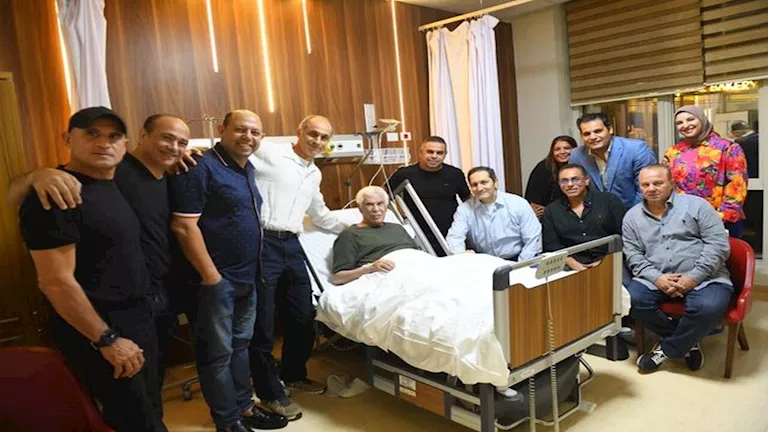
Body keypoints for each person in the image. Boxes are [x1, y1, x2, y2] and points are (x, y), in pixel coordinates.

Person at [17, 107, 163, 431]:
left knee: (150, 410)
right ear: (68, 138)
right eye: (92, 134)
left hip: (138, 317)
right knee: (132, 420)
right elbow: (55, 282)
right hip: (101, 327)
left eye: (113, 136)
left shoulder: (112, 182)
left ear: (125, 145)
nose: (103, 143)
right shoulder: (57, 195)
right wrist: (107, 340)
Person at [170, 110, 287, 432]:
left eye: (255, 132)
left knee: (238, 348)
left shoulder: (246, 169)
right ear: (222, 129)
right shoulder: (201, 167)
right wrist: (212, 277)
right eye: (240, 129)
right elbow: (183, 226)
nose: (248, 137)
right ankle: (227, 420)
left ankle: (243, 406)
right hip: (216, 282)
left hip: (247, 278)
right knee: (217, 355)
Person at [248, 115, 345, 420]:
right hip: (262, 242)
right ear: (299, 131)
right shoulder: (270, 151)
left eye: (324, 137)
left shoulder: (314, 173)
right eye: (313, 134)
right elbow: (235, 151)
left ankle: (293, 375)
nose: (317, 141)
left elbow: (320, 214)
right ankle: (269, 393)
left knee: (303, 315)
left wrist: (354, 227)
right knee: (263, 323)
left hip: (291, 245)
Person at [623, 164, 733, 374]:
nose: (651, 188)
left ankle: (666, 350)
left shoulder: (698, 206)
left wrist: (693, 277)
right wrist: (657, 278)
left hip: (705, 276)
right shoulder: (631, 217)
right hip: (656, 276)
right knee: (632, 300)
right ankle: (688, 342)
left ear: (672, 183)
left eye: (658, 183)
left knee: (708, 307)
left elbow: (718, 246)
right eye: (645, 184)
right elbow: (634, 255)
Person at [664, 106, 748, 238]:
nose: (685, 125)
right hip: (682, 220)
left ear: (702, 120)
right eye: (679, 123)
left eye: (690, 119)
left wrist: (720, 217)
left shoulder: (727, 148)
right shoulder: (674, 152)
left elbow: (737, 186)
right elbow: (666, 183)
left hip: (720, 220)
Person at [387, 136, 470, 254]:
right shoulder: (404, 174)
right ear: (421, 153)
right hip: (417, 233)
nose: (434, 156)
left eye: (439, 153)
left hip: (449, 233)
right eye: (430, 152)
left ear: (445, 155)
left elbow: (468, 200)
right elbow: (384, 195)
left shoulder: (455, 174)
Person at [541, 163, 626, 271]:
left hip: (611, 262)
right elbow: (551, 245)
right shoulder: (551, 211)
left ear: (586, 180)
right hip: (570, 266)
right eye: (564, 181)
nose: (570, 184)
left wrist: (604, 262)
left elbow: (624, 236)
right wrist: (573, 264)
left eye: (575, 179)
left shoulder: (609, 201)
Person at [446, 166, 541, 261]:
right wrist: (461, 255)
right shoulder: (464, 209)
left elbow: (532, 239)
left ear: (495, 183)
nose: (479, 188)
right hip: (485, 261)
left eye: (484, 182)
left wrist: (520, 265)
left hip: (518, 259)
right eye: (474, 185)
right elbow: (454, 238)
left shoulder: (518, 204)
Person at [331, 186, 419, 285]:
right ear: (360, 209)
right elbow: (337, 278)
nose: (376, 209)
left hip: (416, 268)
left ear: (386, 207)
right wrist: (370, 268)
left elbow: (417, 254)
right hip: (388, 277)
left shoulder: (397, 228)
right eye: (369, 204)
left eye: (380, 204)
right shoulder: (350, 235)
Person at [569, 112, 657, 209]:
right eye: (587, 134)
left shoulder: (636, 149)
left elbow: (647, 189)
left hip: (633, 212)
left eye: (598, 131)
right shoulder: (576, 155)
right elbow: (577, 189)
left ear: (610, 129)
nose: (592, 137)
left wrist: (631, 215)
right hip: (596, 214)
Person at [525, 135, 578, 218]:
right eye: (557, 149)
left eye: (567, 148)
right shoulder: (543, 168)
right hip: (549, 215)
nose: (562, 152)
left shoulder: (581, 167)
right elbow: (534, 201)